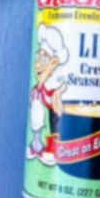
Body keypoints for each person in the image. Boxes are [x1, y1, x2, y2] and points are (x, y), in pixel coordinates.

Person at [26, 24, 68, 166]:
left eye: (43, 60)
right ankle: (36, 143)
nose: (37, 65)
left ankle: (49, 147)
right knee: (36, 113)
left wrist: (58, 92)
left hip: (52, 103)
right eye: (38, 58)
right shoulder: (38, 88)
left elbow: (61, 84)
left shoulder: (55, 80)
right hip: (41, 98)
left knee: (53, 118)